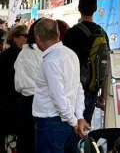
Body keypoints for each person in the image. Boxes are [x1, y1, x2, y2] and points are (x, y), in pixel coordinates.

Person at [32, 18, 89, 153]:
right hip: (66, 121)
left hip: (51, 124)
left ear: (38, 38)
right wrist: (78, 116)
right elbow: (78, 88)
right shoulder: (71, 54)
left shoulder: (50, 61)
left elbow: (58, 98)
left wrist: (75, 121)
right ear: (58, 34)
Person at [61, 0, 109, 126]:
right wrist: (103, 94)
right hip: (92, 88)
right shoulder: (102, 33)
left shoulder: (71, 33)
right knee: (85, 127)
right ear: (95, 9)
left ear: (79, 8)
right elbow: (106, 65)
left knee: (71, 127)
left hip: (73, 88)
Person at [0, 24, 28, 152]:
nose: (28, 39)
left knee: (10, 143)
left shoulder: (10, 54)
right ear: (16, 38)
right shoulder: (15, 55)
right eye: (25, 36)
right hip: (12, 106)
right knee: (11, 143)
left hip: (8, 105)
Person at [14, 19, 44, 153]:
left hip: (27, 101)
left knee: (26, 141)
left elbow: (19, 85)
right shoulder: (44, 53)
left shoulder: (23, 53)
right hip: (39, 101)